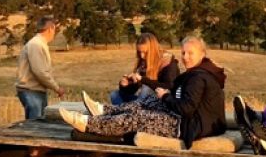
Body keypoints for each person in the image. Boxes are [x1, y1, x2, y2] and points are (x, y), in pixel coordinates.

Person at [61, 36, 226, 147]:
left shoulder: (198, 77)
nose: (185, 57)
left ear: (202, 54)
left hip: (189, 126)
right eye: (183, 52)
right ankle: (103, 110)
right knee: (147, 103)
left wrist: (166, 96)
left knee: (138, 118)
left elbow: (186, 107)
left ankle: (88, 124)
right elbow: (181, 98)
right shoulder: (197, 73)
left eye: (191, 53)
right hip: (190, 119)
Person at [109, 32, 180, 105]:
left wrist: (143, 79)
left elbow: (169, 87)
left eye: (145, 52)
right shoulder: (143, 63)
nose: (142, 56)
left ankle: (130, 112)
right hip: (143, 100)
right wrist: (125, 85)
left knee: (146, 88)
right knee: (115, 95)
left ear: (153, 50)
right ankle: (130, 112)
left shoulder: (167, 62)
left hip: (161, 103)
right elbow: (134, 89)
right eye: (139, 52)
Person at [15, 16, 64, 120]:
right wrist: (57, 88)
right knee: (35, 127)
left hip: (36, 91)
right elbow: (40, 72)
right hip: (31, 91)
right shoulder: (36, 45)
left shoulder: (39, 44)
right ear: (51, 28)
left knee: (40, 123)